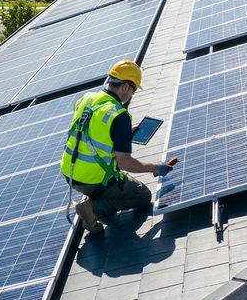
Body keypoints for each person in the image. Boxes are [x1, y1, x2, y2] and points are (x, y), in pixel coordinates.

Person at [60, 60, 174, 234]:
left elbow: (90, 129)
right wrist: (155, 167)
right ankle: (93, 209)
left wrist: (123, 134)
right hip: (93, 179)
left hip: (69, 172)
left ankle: (95, 196)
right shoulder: (120, 116)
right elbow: (125, 164)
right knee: (143, 196)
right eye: (134, 89)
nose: (132, 94)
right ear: (126, 86)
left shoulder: (87, 98)